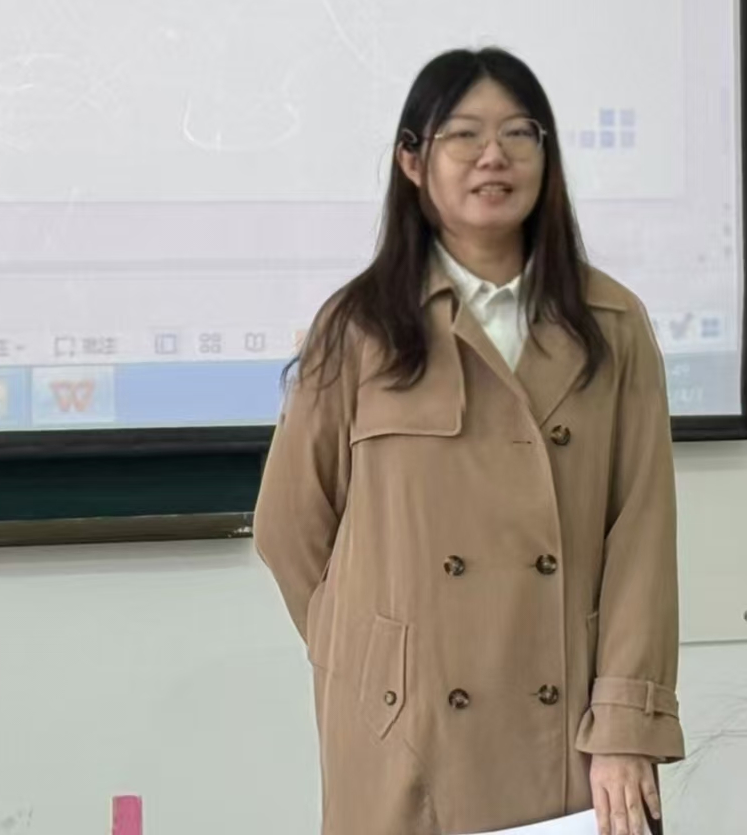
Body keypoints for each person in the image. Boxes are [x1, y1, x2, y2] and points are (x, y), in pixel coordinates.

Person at [253, 47, 683, 835]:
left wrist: (626, 727)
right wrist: (377, 659)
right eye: (464, 134)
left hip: (567, 729)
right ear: (413, 161)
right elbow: (290, 526)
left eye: (519, 133)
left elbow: (641, 538)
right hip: (404, 731)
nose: (494, 156)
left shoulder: (611, 324)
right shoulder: (358, 327)